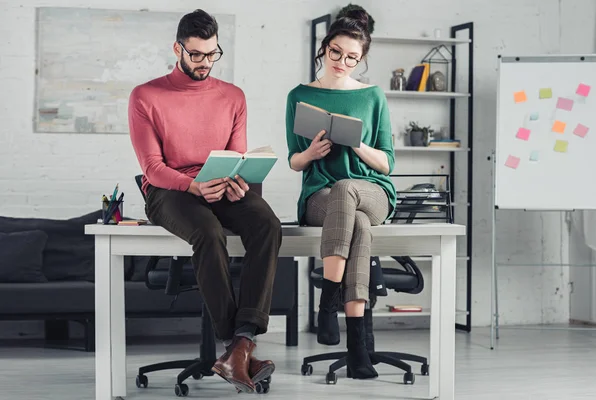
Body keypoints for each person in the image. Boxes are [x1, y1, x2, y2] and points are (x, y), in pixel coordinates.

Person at [128, 9, 282, 394]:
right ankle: (236, 347)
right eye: (196, 55)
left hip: (220, 183)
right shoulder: (146, 96)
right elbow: (152, 166)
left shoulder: (233, 96)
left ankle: (243, 341)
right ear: (177, 48)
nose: (204, 63)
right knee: (209, 232)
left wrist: (237, 182)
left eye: (212, 54)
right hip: (170, 191)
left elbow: (237, 154)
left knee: (268, 224)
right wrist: (194, 187)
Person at [285, 7, 396, 380]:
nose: (342, 62)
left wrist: (358, 144)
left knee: (348, 189)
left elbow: (386, 163)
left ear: (361, 59)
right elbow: (294, 162)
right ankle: (357, 347)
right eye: (336, 53)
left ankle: (327, 299)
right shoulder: (299, 95)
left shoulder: (373, 95)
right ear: (324, 47)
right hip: (321, 195)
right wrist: (311, 153)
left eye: (352, 57)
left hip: (371, 190)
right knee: (359, 228)